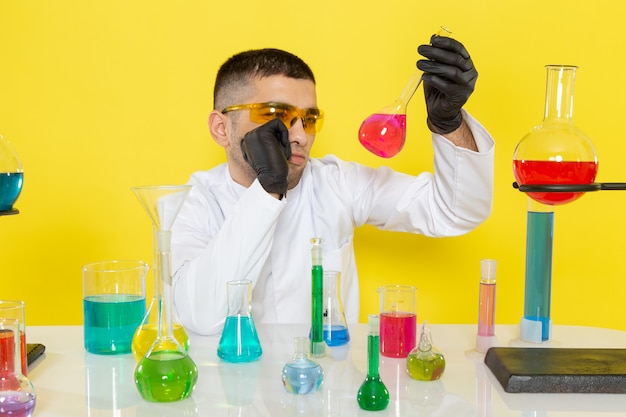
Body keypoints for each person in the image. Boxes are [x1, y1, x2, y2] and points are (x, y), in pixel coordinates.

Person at [171, 35, 495, 335]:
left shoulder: (336, 183)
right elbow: (201, 316)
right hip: (231, 392)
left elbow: (456, 212)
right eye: (276, 114)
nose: (299, 135)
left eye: (309, 119)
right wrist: (268, 189)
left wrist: (449, 124)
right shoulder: (192, 203)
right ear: (221, 128)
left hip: (327, 390)